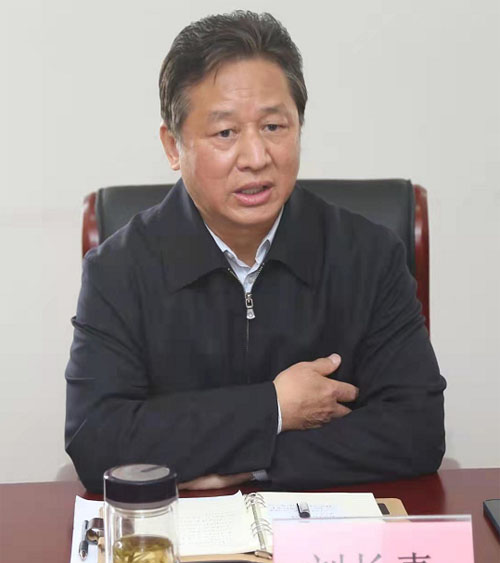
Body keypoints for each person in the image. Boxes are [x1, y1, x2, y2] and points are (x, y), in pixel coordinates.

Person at [65, 11, 446, 494]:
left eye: (273, 126)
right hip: (181, 533)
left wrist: (253, 466)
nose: (256, 158)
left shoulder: (369, 255)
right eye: (225, 133)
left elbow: (417, 429)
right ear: (173, 146)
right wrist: (275, 407)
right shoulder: (119, 269)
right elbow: (97, 440)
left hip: (324, 530)